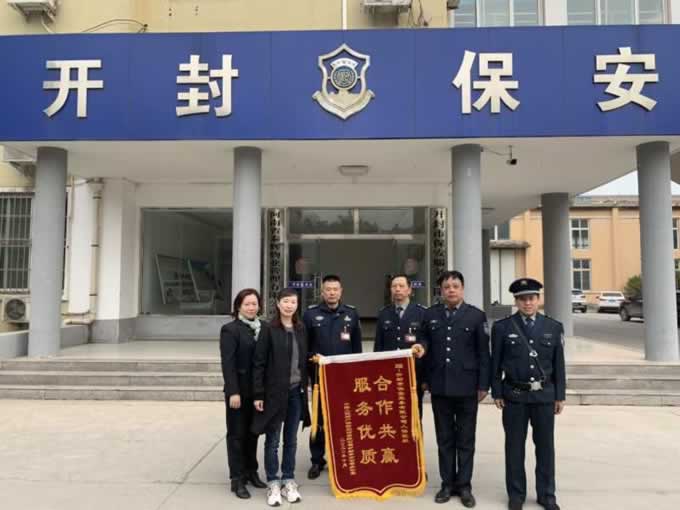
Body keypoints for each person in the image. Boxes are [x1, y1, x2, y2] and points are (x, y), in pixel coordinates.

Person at [491, 278, 566, 510]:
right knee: (514, 448)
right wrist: (497, 392)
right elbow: (495, 364)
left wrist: (560, 395)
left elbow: (559, 364)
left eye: (531, 298)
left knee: (545, 448)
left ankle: (546, 494)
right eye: (522, 299)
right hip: (514, 395)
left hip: (544, 397)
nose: (527, 303)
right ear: (516, 301)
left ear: (538, 299)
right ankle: (516, 494)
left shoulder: (553, 327)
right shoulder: (502, 327)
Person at [423, 270, 490, 508]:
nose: (451, 290)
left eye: (455, 286)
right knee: (444, 439)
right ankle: (447, 484)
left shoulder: (476, 316)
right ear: (441, 290)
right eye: (446, 286)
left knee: (465, 439)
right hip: (440, 386)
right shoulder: (430, 315)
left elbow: (484, 353)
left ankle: (464, 485)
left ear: (462, 289)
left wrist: (484, 384)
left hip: (467, 387)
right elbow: (425, 348)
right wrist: (425, 379)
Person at [252, 289, 311, 506]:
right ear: (277, 304)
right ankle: (273, 482)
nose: (289, 305)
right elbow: (259, 363)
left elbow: (304, 359)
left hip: (296, 392)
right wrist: (258, 393)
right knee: (273, 440)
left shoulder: (301, 328)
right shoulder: (269, 329)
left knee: (291, 440)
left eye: (293, 302)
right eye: (285, 301)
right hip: (274, 394)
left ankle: (288, 479)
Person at [303, 274, 362, 479]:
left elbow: (356, 348)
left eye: (335, 289)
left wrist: (356, 376)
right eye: (328, 289)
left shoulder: (351, 314)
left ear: (341, 291)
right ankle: (317, 460)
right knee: (319, 419)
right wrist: (311, 360)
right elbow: (305, 346)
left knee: (344, 418)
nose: (332, 293)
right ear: (322, 292)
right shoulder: (310, 314)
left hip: (344, 377)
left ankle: (342, 458)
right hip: (319, 376)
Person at [219, 288, 267, 499]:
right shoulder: (230, 330)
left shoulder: (264, 328)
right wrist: (233, 392)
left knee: (253, 433)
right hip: (238, 392)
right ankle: (237, 479)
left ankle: (251, 471)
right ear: (238, 306)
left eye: (254, 304)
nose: (251, 308)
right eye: (247, 304)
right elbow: (228, 364)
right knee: (237, 435)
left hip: (257, 393)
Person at [374, 274, 428, 420]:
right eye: (394, 286)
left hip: (413, 372)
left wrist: (426, 378)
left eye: (401, 286)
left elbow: (426, 342)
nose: (397, 289)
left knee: (414, 413)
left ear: (409, 290)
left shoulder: (422, 313)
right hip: (388, 374)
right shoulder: (384, 313)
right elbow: (378, 346)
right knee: (390, 413)